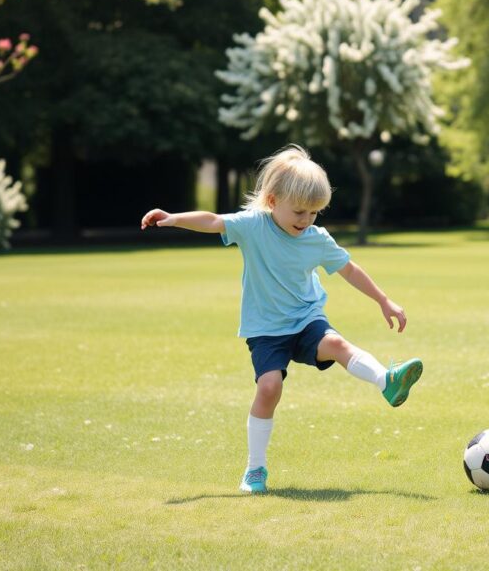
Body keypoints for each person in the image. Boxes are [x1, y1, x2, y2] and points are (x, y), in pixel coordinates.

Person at [140, 145, 423, 495]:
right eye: (300, 211)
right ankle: (255, 469)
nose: (306, 220)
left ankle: (387, 381)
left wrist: (383, 300)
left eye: (315, 213)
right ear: (272, 201)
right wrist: (174, 217)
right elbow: (214, 221)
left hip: (306, 319)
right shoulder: (253, 226)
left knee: (335, 343)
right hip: (266, 330)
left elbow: (349, 269)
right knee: (269, 388)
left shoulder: (316, 239)